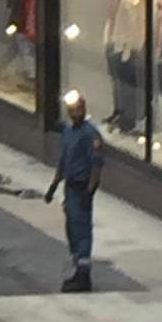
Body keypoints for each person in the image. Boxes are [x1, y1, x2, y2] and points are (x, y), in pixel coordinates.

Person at [45, 91, 104, 293]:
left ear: (83, 108)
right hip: (70, 187)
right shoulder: (68, 132)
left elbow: (96, 165)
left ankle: (83, 274)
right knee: (71, 228)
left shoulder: (91, 134)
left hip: (81, 188)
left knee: (82, 230)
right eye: (71, 110)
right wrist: (53, 186)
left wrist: (90, 191)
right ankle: (77, 264)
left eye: (76, 109)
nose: (73, 113)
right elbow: (64, 161)